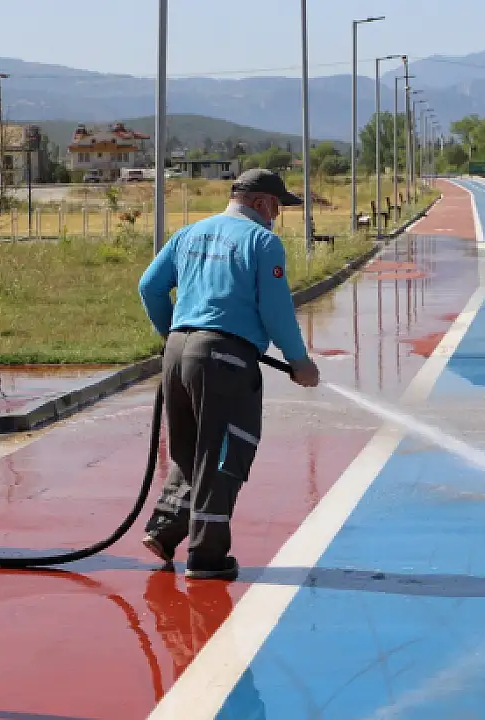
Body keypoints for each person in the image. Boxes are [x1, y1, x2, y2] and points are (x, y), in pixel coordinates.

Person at [138, 168, 320, 581]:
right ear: (260, 202)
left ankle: (165, 529)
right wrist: (299, 361)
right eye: (276, 206)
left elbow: (149, 287)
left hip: (178, 352)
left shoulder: (189, 233)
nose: (277, 216)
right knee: (224, 453)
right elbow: (275, 309)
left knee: (190, 447)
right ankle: (207, 556)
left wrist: (174, 334)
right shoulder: (262, 242)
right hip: (226, 359)